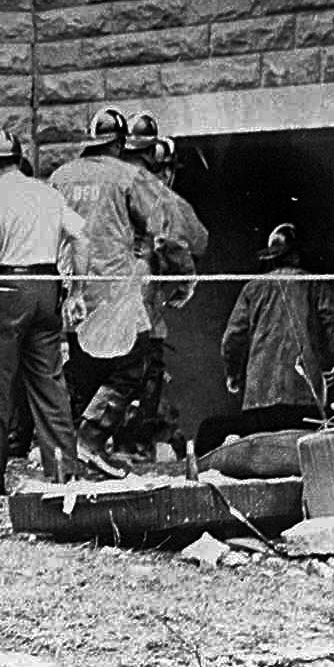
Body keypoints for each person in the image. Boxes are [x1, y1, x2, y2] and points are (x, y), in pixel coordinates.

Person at [0, 129, 85, 493]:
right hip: (48, 289)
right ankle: (64, 475)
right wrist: (75, 289)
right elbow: (81, 236)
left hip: (9, 289)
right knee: (50, 386)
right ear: (19, 159)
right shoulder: (48, 194)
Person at [47, 107, 167, 476]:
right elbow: (158, 226)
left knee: (81, 369)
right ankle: (92, 438)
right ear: (118, 143)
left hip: (72, 289)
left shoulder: (60, 176)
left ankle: (58, 448)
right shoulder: (127, 176)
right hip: (116, 288)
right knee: (135, 363)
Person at [195, 224, 334, 454]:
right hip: (305, 398)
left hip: (259, 400)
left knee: (265, 454)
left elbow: (232, 338)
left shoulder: (252, 289)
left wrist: (233, 375)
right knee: (302, 455)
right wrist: (331, 365)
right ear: (296, 256)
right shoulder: (316, 283)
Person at [122, 129, 208, 454]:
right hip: (142, 313)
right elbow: (198, 240)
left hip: (99, 313)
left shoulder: (114, 189)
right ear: (167, 169)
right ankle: (137, 446)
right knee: (143, 382)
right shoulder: (164, 200)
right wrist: (185, 280)